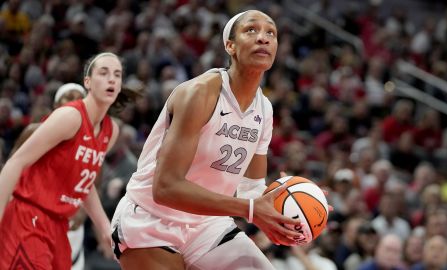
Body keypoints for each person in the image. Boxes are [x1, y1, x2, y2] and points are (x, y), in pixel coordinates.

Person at [111, 10, 304, 270]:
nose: (263, 38)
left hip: (208, 224)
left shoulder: (264, 110)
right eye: (251, 30)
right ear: (230, 45)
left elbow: (251, 191)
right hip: (151, 218)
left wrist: (295, 202)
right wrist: (248, 209)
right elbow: (165, 188)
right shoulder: (199, 93)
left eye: (271, 33)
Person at [0, 52, 124, 269]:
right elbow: (14, 163)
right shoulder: (70, 117)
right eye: (103, 73)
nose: (111, 79)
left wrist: (104, 227)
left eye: (117, 74)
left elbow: (83, 183)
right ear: (88, 81)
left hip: (59, 226)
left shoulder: (111, 131)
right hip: (29, 218)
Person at [10, 82, 92, 270]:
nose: (74, 102)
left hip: (67, 220)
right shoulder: (34, 130)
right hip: (31, 215)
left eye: (79, 98)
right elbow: (11, 169)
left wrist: (81, 214)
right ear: (56, 105)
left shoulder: (91, 142)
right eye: (68, 97)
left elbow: (92, 183)